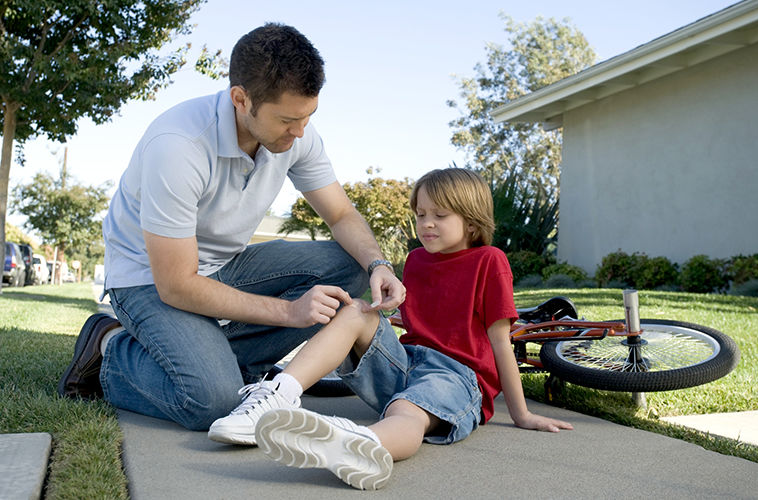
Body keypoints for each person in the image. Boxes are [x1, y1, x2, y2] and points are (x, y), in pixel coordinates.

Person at [57, 23, 404, 431]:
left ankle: (224, 362)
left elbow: (342, 215)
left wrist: (378, 264)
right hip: (148, 279)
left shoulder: (295, 134)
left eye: (309, 116)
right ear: (241, 99)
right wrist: (290, 312)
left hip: (226, 266)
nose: (300, 132)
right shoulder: (178, 146)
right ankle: (110, 347)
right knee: (213, 401)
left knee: (350, 262)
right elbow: (177, 285)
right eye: (288, 120)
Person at [208, 168, 573, 490]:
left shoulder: (489, 261)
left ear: (472, 222)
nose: (426, 223)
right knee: (356, 310)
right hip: (405, 364)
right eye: (420, 214)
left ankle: (362, 443)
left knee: (409, 412)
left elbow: (500, 342)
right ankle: (278, 394)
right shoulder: (414, 261)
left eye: (439, 215)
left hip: (458, 376)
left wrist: (520, 413)